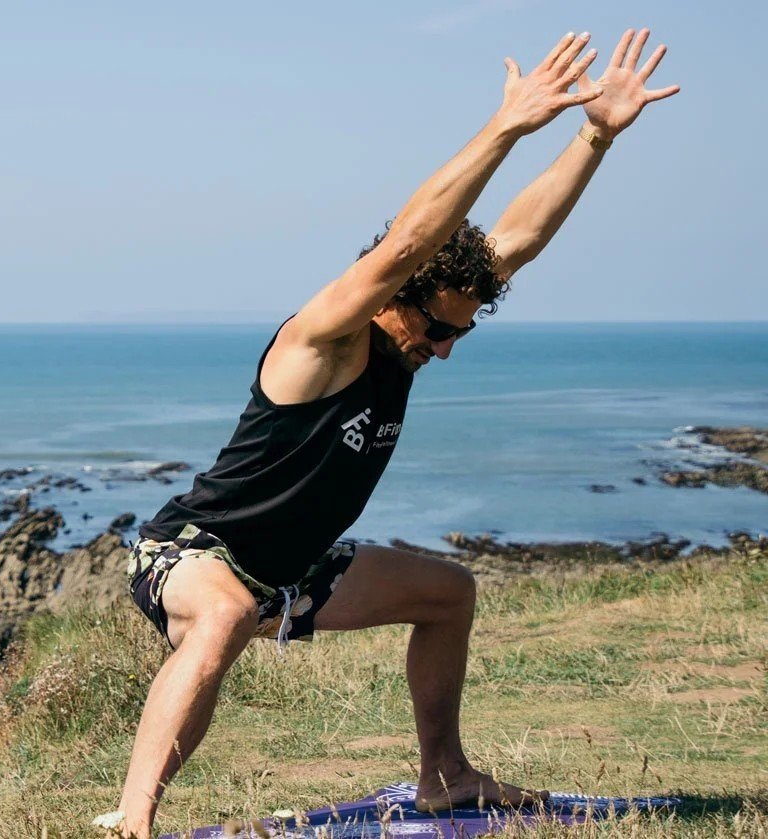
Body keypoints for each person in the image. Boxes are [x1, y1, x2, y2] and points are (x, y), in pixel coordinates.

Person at [101, 28, 679, 839]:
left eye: (460, 337)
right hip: (196, 551)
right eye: (437, 328)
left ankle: (444, 775)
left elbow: (515, 240)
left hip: (294, 570)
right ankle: (133, 820)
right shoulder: (324, 337)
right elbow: (411, 239)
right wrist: (507, 126)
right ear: (395, 292)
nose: (441, 349)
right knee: (225, 615)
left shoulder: (422, 328)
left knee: (448, 594)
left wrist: (595, 135)